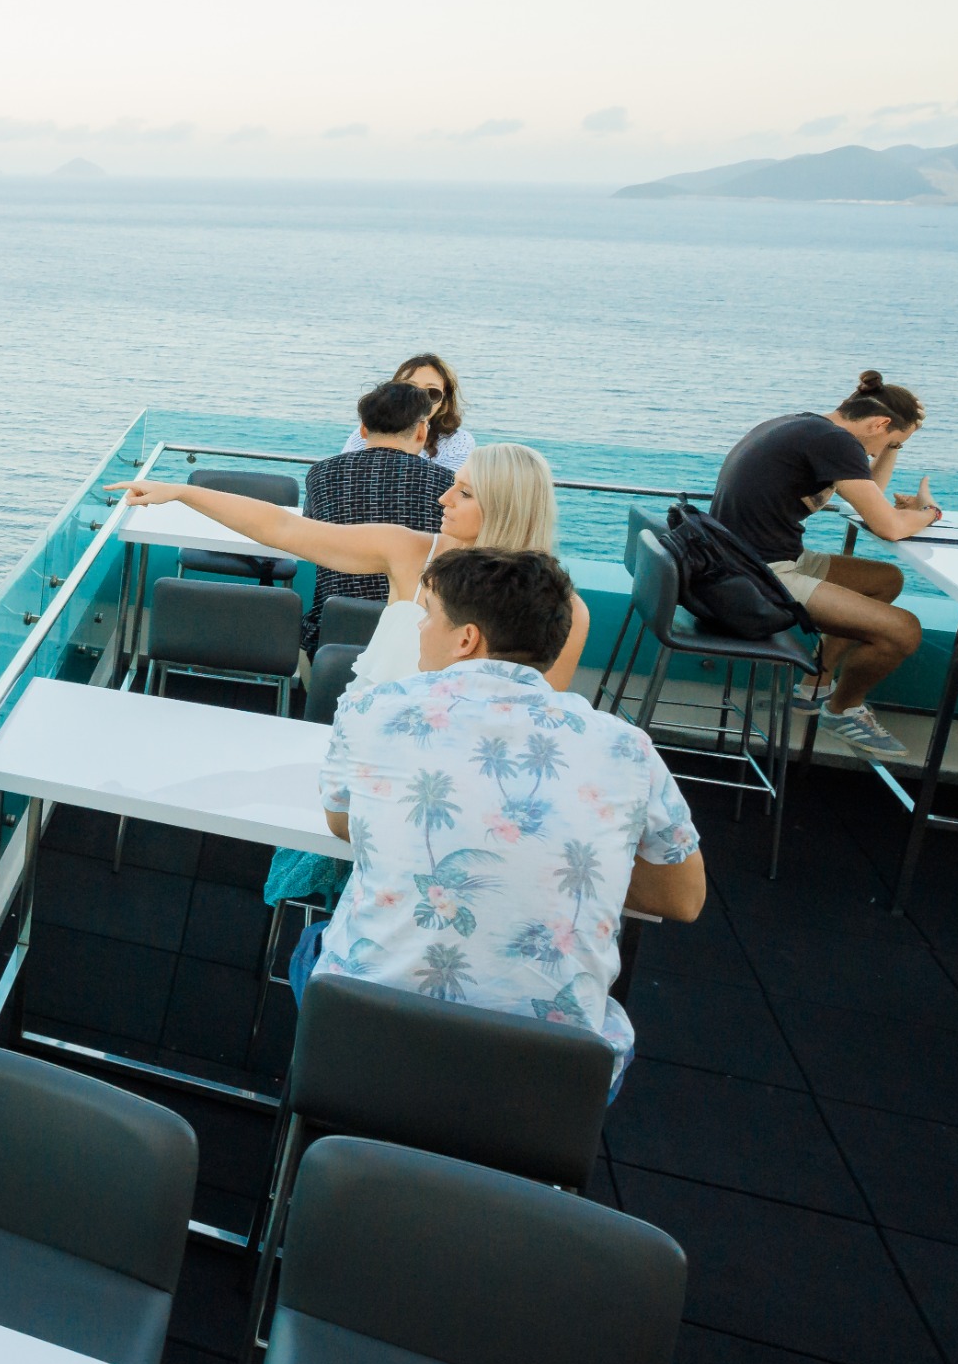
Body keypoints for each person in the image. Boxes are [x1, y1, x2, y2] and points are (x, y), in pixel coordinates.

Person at [114, 443, 591, 925]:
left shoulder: (561, 614)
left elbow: (532, 736)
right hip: (354, 771)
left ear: (505, 508)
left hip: (445, 809)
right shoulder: (412, 552)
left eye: (463, 492)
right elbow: (285, 529)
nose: (444, 499)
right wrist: (182, 494)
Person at [310, 548, 705, 1076]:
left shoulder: (371, 711)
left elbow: (343, 823)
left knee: (312, 944)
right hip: (544, 1079)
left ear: (466, 638)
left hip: (369, 1042)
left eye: (427, 614)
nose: (419, 627)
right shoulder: (626, 748)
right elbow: (683, 898)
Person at [713, 372, 940, 761]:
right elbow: (887, 527)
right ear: (880, 423)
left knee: (885, 580)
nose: (882, 451)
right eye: (891, 442)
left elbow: (869, 500)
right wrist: (928, 513)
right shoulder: (834, 442)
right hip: (756, 575)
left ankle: (814, 687)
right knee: (903, 631)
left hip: (740, 559)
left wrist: (894, 447)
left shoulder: (805, 426)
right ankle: (843, 711)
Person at [301, 381, 456, 650]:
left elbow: (308, 536)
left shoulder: (321, 474)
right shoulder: (445, 483)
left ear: (363, 430)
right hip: (415, 636)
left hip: (331, 630)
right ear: (421, 431)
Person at [341, 353, 475, 471]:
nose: (419, 399)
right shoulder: (368, 432)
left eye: (431, 393)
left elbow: (449, 487)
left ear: (443, 401)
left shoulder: (458, 441)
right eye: (409, 387)